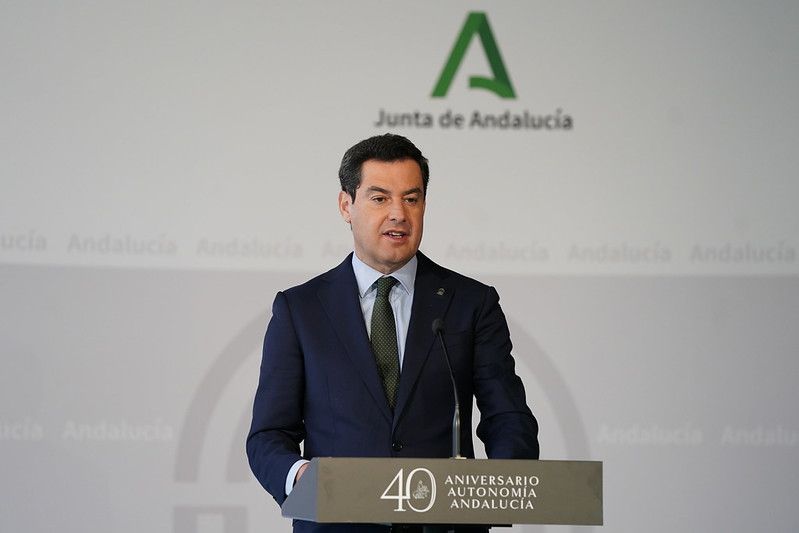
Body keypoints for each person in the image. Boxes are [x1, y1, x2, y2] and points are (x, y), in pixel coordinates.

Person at [247, 133, 539, 533]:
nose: (399, 213)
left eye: (412, 199)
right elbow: (268, 435)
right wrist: (300, 477)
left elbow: (508, 418)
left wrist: (501, 486)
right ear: (346, 205)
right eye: (380, 198)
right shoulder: (301, 310)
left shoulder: (471, 303)